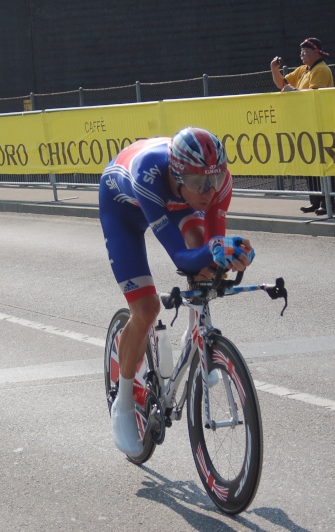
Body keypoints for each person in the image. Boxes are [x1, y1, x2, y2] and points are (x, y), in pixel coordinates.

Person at [98, 127, 254, 457]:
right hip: (123, 208)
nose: (210, 191)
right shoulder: (149, 172)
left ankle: (196, 337)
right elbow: (181, 258)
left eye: (215, 179)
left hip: (177, 203)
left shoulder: (215, 184)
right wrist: (218, 251)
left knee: (207, 260)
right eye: (199, 182)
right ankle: (123, 404)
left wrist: (231, 256)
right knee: (147, 309)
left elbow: (213, 245)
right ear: (177, 173)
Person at [270, 37, 335, 215]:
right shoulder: (303, 70)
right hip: (307, 124)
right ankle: (315, 200)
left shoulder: (321, 69)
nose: (302, 55)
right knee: (310, 164)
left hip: (320, 123)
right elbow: (282, 84)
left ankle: (328, 202)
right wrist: (274, 70)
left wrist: (294, 92)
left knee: (323, 164)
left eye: (305, 51)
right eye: (301, 52)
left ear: (316, 52)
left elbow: (314, 95)